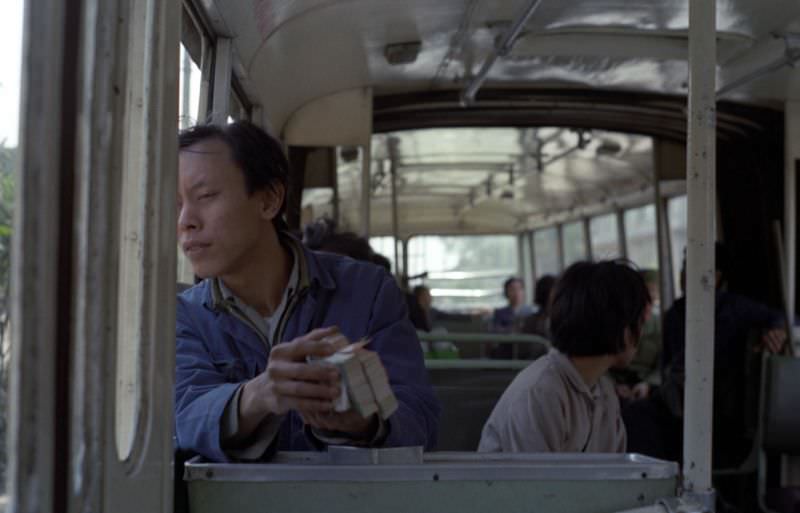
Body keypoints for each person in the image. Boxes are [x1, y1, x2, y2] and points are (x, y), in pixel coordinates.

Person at [175, 121, 440, 463]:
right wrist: (258, 395)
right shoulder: (184, 316)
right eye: (176, 203)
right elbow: (182, 418)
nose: (186, 221)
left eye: (206, 196)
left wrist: (365, 424)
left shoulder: (368, 292)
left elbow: (421, 418)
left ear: (269, 200)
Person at [624, 243, 787, 466]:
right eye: (682, 267)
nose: (682, 275)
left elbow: (780, 317)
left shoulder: (735, 309)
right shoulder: (675, 314)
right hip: (677, 401)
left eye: (689, 268)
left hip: (717, 409)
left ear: (715, 277)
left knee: (638, 420)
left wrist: (778, 331)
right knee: (632, 415)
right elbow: (667, 367)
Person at [478, 260, 650, 453]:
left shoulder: (603, 390)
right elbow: (535, 482)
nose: (641, 334)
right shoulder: (541, 393)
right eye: (640, 322)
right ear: (622, 328)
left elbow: (613, 471)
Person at [610, 269, 662, 401]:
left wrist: (648, 384)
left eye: (653, 292)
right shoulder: (615, 321)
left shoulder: (660, 324)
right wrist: (612, 385)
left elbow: (664, 363)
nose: (649, 298)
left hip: (647, 384)